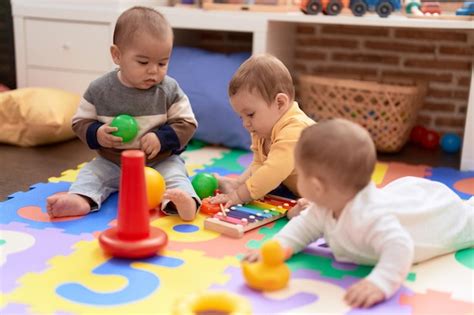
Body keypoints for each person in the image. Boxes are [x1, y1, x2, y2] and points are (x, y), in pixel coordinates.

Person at [244, 119, 474, 308]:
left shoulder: (370, 219)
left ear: (316, 187)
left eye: (300, 173)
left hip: (434, 219)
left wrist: (380, 282)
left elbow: (400, 247)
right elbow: (304, 226)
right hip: (400, 197)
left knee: (467, 221)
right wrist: (280, 247)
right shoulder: (325, 204)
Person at [46, 6, 199, 221]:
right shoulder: (100, 90)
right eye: (143, 62)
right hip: (113, 161)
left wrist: (161, 138)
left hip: (159, 161)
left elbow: (187, 123)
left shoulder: (169, 89)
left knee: (176, 177)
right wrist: (97, 133)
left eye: (162, 63)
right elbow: (80, 121)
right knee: (92, 175)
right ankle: (81, 199)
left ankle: (182, 203)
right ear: (117, 55)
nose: (154, 70)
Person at [210, 54, 315, 214]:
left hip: (335, 189)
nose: (245, 123)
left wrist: (238, 196)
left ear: (279, 103)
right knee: (264, 185)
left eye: (250, 114)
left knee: (297, 213)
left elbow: (272, 172)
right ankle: (236, 183)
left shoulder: (295, 130)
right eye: (241, 117)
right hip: (298, 189)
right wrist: (241, 184)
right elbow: (259, 165)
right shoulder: (263, 130)